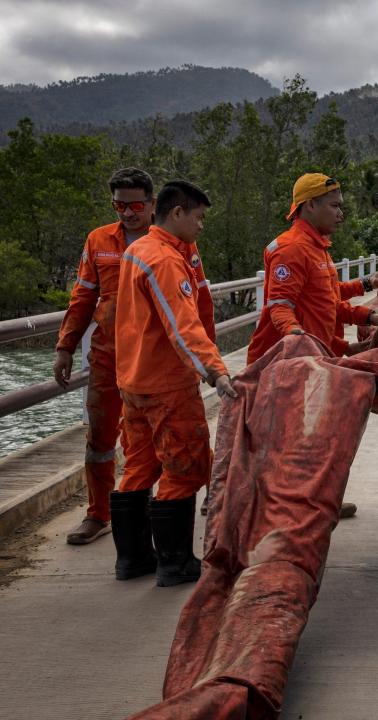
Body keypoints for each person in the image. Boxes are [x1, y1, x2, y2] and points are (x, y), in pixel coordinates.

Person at [110, 180, 237, 586]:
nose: (201, 226)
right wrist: (216, 371)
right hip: (166, 386)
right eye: (198, 217)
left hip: (134, 381)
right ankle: (176, 562)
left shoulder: (137, 250)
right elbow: (182, 327)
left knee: (139, 468)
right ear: (178, 213)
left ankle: (132, 560)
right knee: (184, 469)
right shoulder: (164, 260)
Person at [246, 172, 378, 519]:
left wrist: (368, 312)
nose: (341, 213)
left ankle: (317, 496)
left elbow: (328, 301)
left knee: (316, 432)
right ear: (309, 205)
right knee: (286, 436)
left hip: (317, 357)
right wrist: (296, 338)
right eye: (334, 206)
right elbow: (279, 305)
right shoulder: (293, 248)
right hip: (290, 361)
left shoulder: (318, 248)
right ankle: (280, 505)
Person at [54, 167, 156, 545]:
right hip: (107, 355)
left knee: (145, 435)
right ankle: (98, 513)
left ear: (152, 204)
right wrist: (65, 346)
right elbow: (82, 298)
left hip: (152, 357)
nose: (127, 213)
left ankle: (142, 503)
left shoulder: (172, 240)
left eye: (135, 205)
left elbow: (194, 302)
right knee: (99, 437)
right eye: (119, 205)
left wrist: (199, 358)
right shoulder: (98, 240)